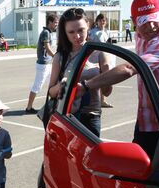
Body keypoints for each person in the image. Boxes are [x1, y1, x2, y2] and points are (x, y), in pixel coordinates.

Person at [76, 0, 159, 160]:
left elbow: (131, 68)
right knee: (139, 163)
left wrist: (86, 86)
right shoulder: (140, 35)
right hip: (151, 113)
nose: (150, 26)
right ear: (134, 21)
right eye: (143, 21)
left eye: (154, 19)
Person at [48, 7, 112, 137]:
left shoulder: (99, 53)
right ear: (64, 33)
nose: (77, 36)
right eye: (71, 32)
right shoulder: (60, 57)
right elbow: (51, 92)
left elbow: (107, 92)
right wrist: (61, 86)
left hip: (91, 117)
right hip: (67, 117)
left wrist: (106, 74)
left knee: (90, 157)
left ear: (88, 25)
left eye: (81, 30)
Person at [25, 14, 58, 113]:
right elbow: (47, 48)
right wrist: (55, 57)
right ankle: (29, 108)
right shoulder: (46, 33)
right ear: (50, 22)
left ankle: (52, 106)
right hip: (43, 64)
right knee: (37, 86)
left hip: (47, 64)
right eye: (55, 22)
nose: (56, 24)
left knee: (53, 84)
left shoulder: (48, 32)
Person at [89, 13, 116, 108]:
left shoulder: (106, 32)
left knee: (104, 78)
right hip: (95, 59)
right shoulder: (93, 32)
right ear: (97, 21)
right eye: (100, 20)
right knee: (96, 80)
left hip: (105, 59)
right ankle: (95, 101)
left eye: (104, 20)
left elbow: (108, 44)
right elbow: (88, 44)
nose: (102, 22)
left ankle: (103, 100)